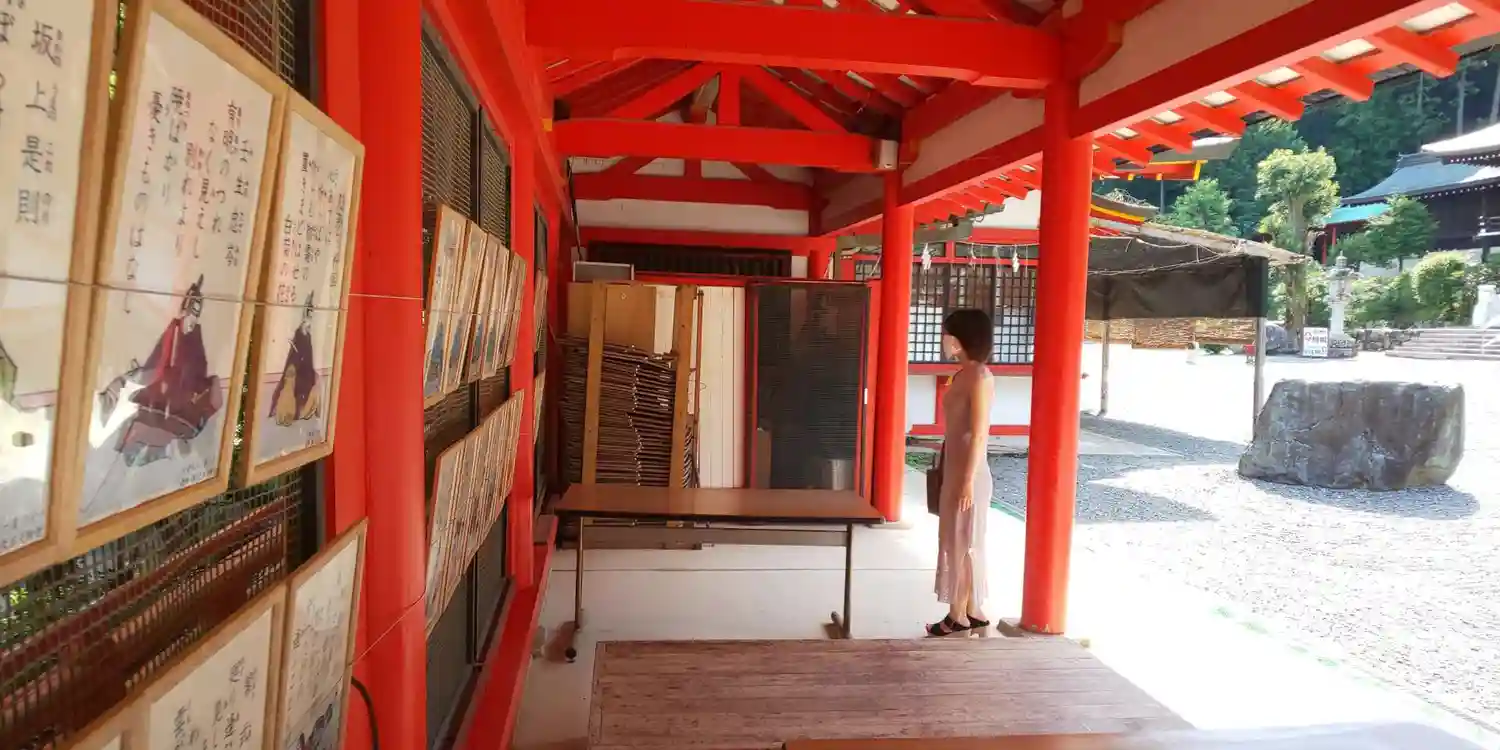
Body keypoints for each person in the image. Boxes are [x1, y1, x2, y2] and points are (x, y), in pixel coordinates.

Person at [928, 308, 994, 637]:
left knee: (965, 541)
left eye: (947, 334)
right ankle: (970, 610)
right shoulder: (963, 374)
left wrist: (968, 481)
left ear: (959, 338)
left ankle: (958, 615)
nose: (944, 340)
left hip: (970, 472)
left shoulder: (980, 376)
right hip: (955, 468)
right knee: (956, 538)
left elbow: (979, 433)